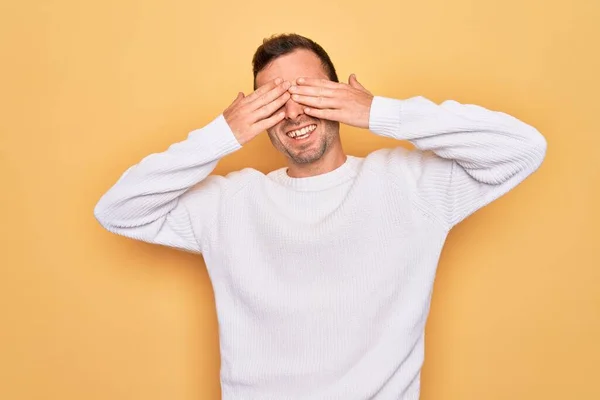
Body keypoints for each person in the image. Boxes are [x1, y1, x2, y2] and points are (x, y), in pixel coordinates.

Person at [94, 33, 547, 399]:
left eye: (308, 92)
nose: (293, 112)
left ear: (338, 94)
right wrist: (220, 136)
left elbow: (522, 149)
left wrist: (377, 112)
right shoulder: (230, 203)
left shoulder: (411, 187)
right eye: (274, 101)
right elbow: (118, 209)